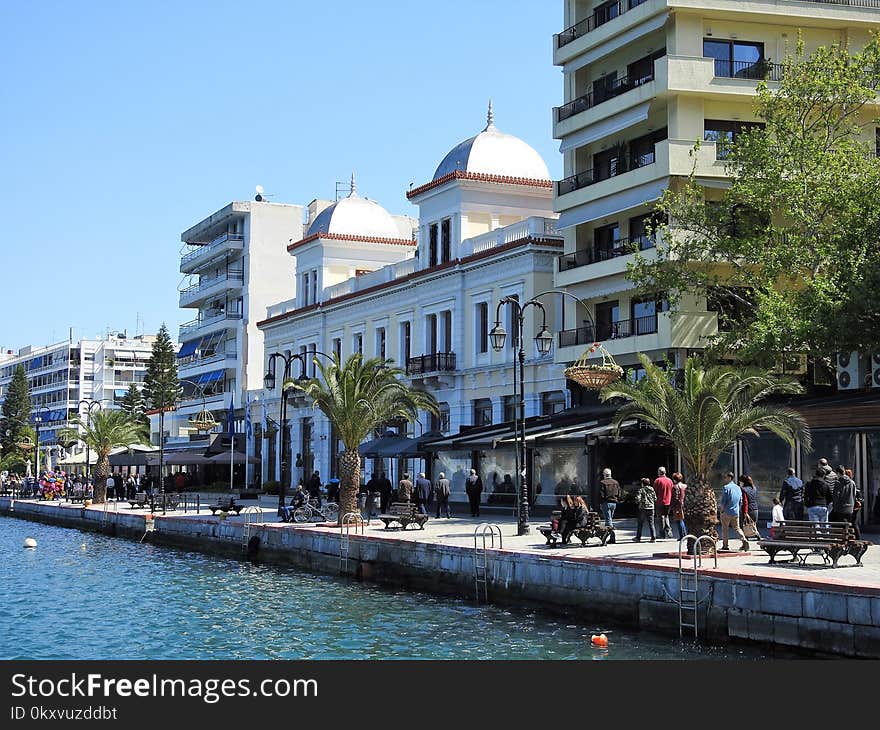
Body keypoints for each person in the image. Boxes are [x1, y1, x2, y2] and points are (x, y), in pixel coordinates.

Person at [719, 471, 749, 552]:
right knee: (737, 528)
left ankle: (725, 546)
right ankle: (744, 540)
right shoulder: (738, 488)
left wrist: (721, 510)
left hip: (726, 512)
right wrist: (738, 509)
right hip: (735, 512)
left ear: (729, 478)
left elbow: (723, 501)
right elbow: (741, 500)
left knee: (725, 529)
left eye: (726, 477)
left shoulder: (726, 487)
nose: (725, 479)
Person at [829, 465, 860, 538]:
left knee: (832, 519)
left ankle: (840, 538)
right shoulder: (852, 482)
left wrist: (835, 506)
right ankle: (848, 537)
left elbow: (836, 496)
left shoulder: (838, 482)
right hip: (850, 508)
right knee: (847, 524)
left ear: (838, 473)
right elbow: (854, 494)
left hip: (841, 508)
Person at [653, 466, 674, 539]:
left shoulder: (657, 481)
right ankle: (668, 529)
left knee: (661, 517)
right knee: (666, 516)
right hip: (668, 501)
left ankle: (662, 534)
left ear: (659, 472)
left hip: (660, 502)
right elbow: (672, 490)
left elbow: (654, 491)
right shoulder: (670, 481)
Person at [634, 478, 657, 543]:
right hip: (651, 508)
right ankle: (653, 538)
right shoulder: (652, 489)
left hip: (643, 508)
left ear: (642, 483)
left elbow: (638, 499)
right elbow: (655, 498)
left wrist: (637, 501)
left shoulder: (641, 490)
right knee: (651, 523)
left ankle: (638, 538)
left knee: (640, 523)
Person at [739, 474, 761, 540]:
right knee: (753, 525)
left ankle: (745, 540)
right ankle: (757, 535)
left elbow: (745, 501)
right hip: (755, 509)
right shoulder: (754, 488)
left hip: (748, 510)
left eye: (740, 482)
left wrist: (745, 512)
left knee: (744, 526)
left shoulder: (743, 489)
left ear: (743, 482)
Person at [670, 472, 688, 540]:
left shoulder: (675, 487)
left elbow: (675, 497)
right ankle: (684, 535)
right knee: (682, 520)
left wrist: (672, 505)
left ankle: (682, 536)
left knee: (679, 521)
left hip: (677, 505)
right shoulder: (685, 486)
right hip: (684, 504)